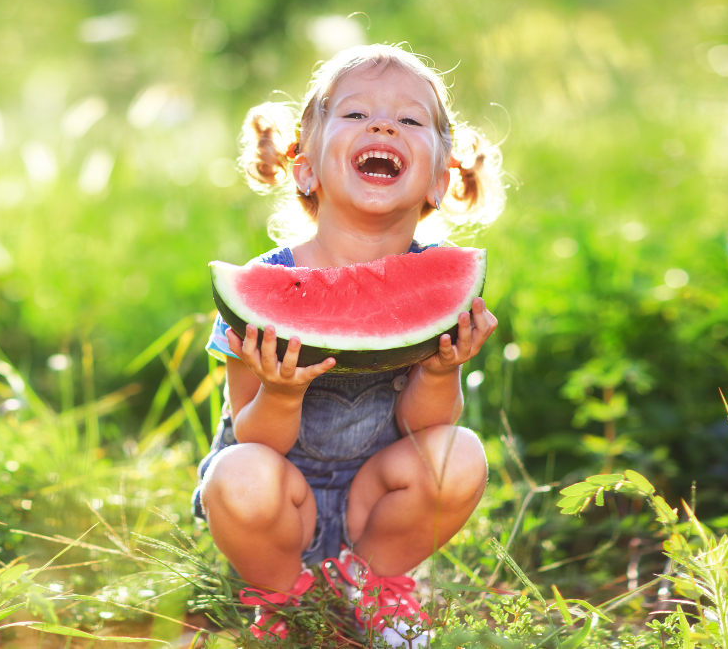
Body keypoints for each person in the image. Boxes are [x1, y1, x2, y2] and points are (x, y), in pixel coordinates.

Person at [192, 43, 506, 646]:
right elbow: (251, 435)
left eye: (411, 120)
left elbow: (424, 430)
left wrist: (441, 372)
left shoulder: (440, 282)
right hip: (280, 506)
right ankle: (284, 601)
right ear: (305, 166)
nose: (384, 124)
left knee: (458, 453)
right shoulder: (261, 282)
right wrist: (282, 392)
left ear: (439, 182)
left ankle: (373, 585)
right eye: (357, 115)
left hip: (375, 505)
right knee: (237, 474)